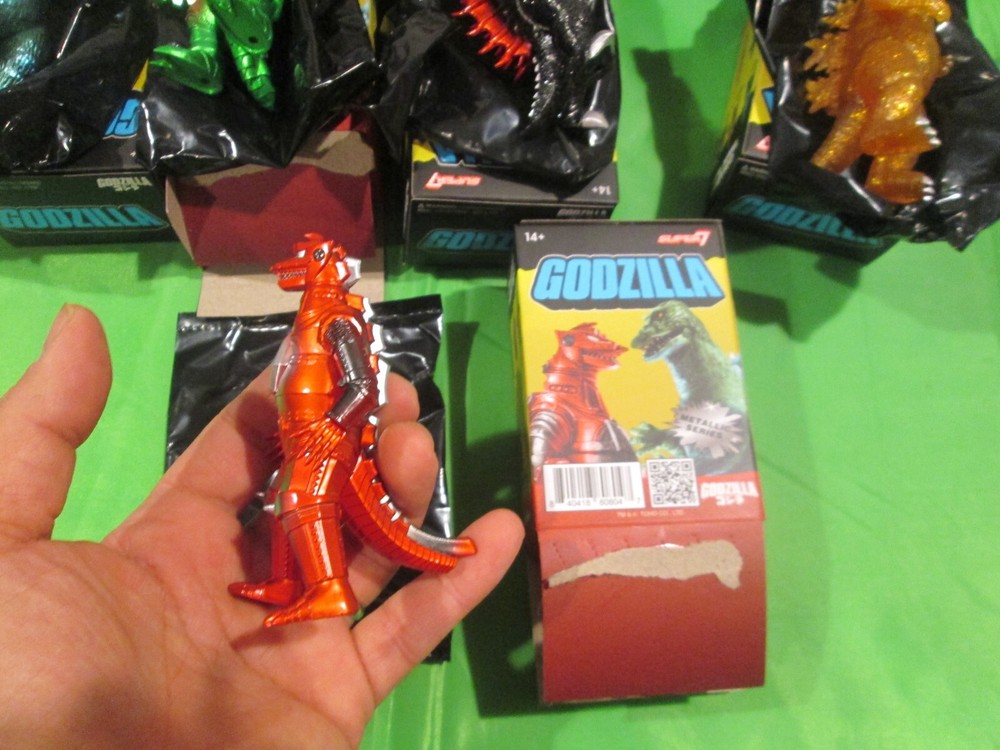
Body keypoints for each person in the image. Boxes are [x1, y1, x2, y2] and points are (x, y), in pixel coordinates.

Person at [0, 304, 524, 749]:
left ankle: (328, 588)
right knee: (279, 502)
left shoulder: (337, 324)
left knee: (300, 501)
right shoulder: (310, 328)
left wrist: (334, 424)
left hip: (327, 443)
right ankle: (283, 581)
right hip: (300, 440)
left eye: (314, 260)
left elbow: (363, 385)